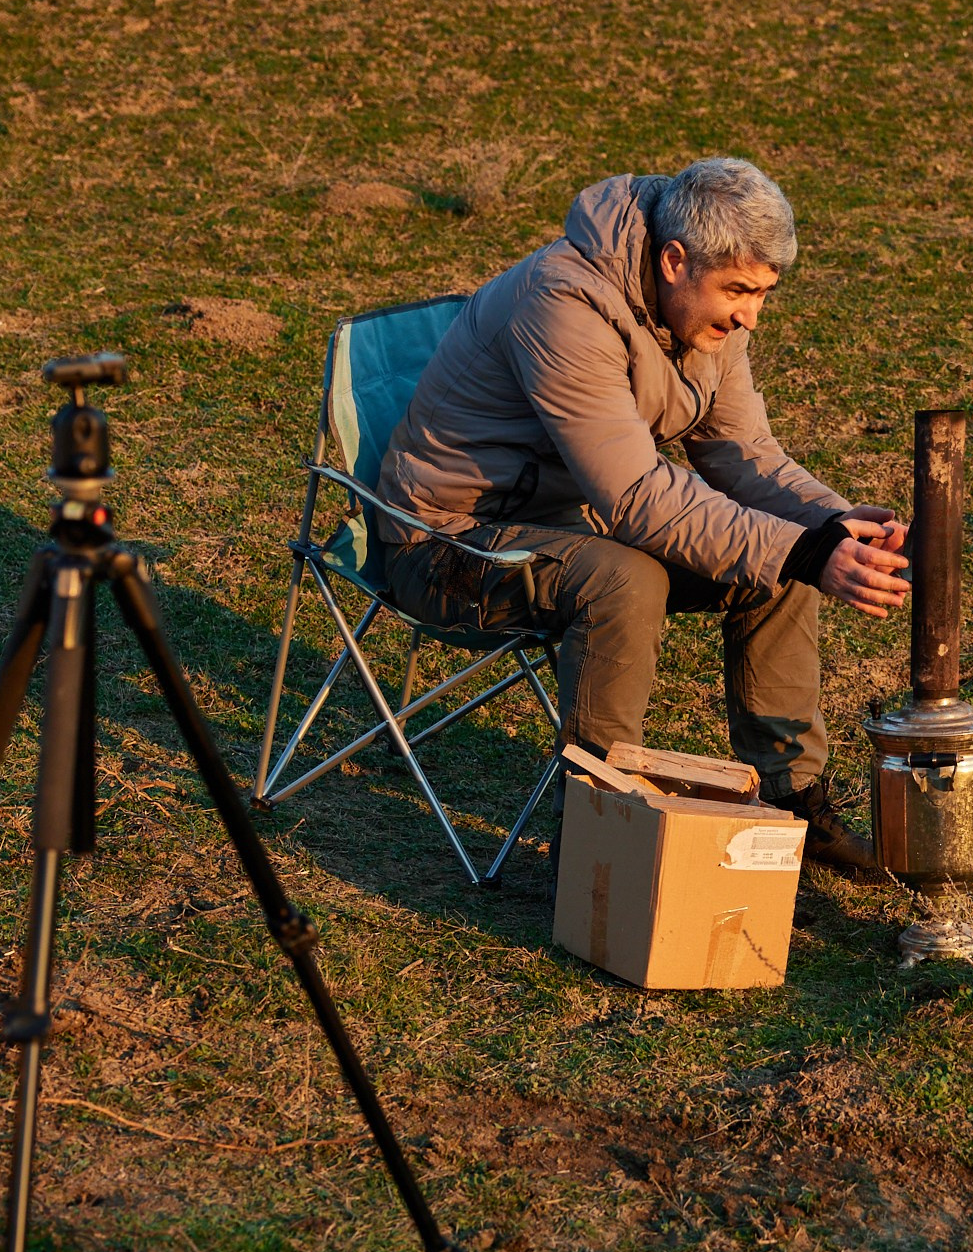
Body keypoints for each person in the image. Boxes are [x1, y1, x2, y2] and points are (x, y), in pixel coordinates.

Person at [372, 157, 909, 877]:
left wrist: (832, 523)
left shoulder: (703, 313)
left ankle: (793, 805)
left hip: (562, 528)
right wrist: (804, 550)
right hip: (444, 545)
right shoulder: (561, 302)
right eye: (740, 292)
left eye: (764, 293)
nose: (751, 314)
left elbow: (741, 450)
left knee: (774, 564)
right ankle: (595, 841)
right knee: (626, 579)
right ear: (674, 259)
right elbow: (631, 496)